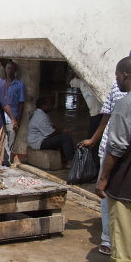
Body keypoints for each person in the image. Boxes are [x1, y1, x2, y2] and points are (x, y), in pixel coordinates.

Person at [81, 80, 126, 255]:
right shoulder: (117, 87)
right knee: (106, 195)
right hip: (110, 148)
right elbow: (106, 116)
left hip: (121, 150)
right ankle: (108, 237)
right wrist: (94, 140)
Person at [95, 56, 131, 262]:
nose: (116, 81)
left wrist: (103, 177)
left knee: (123, 245)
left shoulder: (125, 105)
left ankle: (107, 241)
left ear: (125, 75)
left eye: (117, 76)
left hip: (124, 184)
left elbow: (116, 147)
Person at [68, 70, 103, 171]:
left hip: (100, 114)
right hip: (94, 115)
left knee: (95, 142)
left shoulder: (95, 81)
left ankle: (96, 169)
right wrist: (72, 71)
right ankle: (94, 168)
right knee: (93, 143)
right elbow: (69, 82)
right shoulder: (80, 82)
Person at [27, 97, 74, 168]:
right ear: (43, 105)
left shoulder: (40, 113)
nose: (51, 107)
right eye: (49, 105)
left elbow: (51, 126)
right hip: (39, 142)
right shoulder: (41, 117)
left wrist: (61, 130)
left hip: (40, 140)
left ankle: (64, 158)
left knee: (62, 136)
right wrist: (62, 132)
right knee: (65, 138)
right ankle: (70, 161)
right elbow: (50, 133)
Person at [3, 61, 26, 166]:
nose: (10, 70)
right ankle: (4, 159)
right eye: (8, 68)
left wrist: (18, 120)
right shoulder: (1, 84)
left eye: (12, 68)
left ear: (15, 70)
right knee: (2, 140)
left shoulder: (20, 85)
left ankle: (6, 160)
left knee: (10, 141)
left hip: (13, 116)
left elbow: (21, 103)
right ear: (5, 69)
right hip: (1, 117)